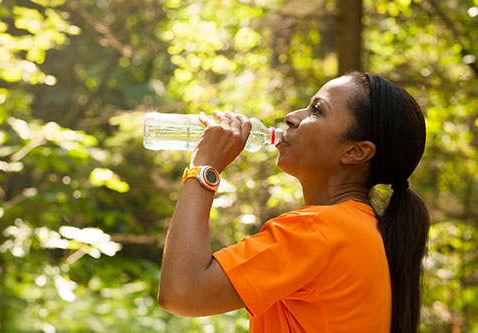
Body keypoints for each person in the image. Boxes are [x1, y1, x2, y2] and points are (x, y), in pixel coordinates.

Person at [157, 71, 430, 333]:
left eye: (317, 110)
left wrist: (204, 167)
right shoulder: (363, 229)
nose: (291, 117)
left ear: (356, 151)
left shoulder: (317, 231)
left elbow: (182, 292)